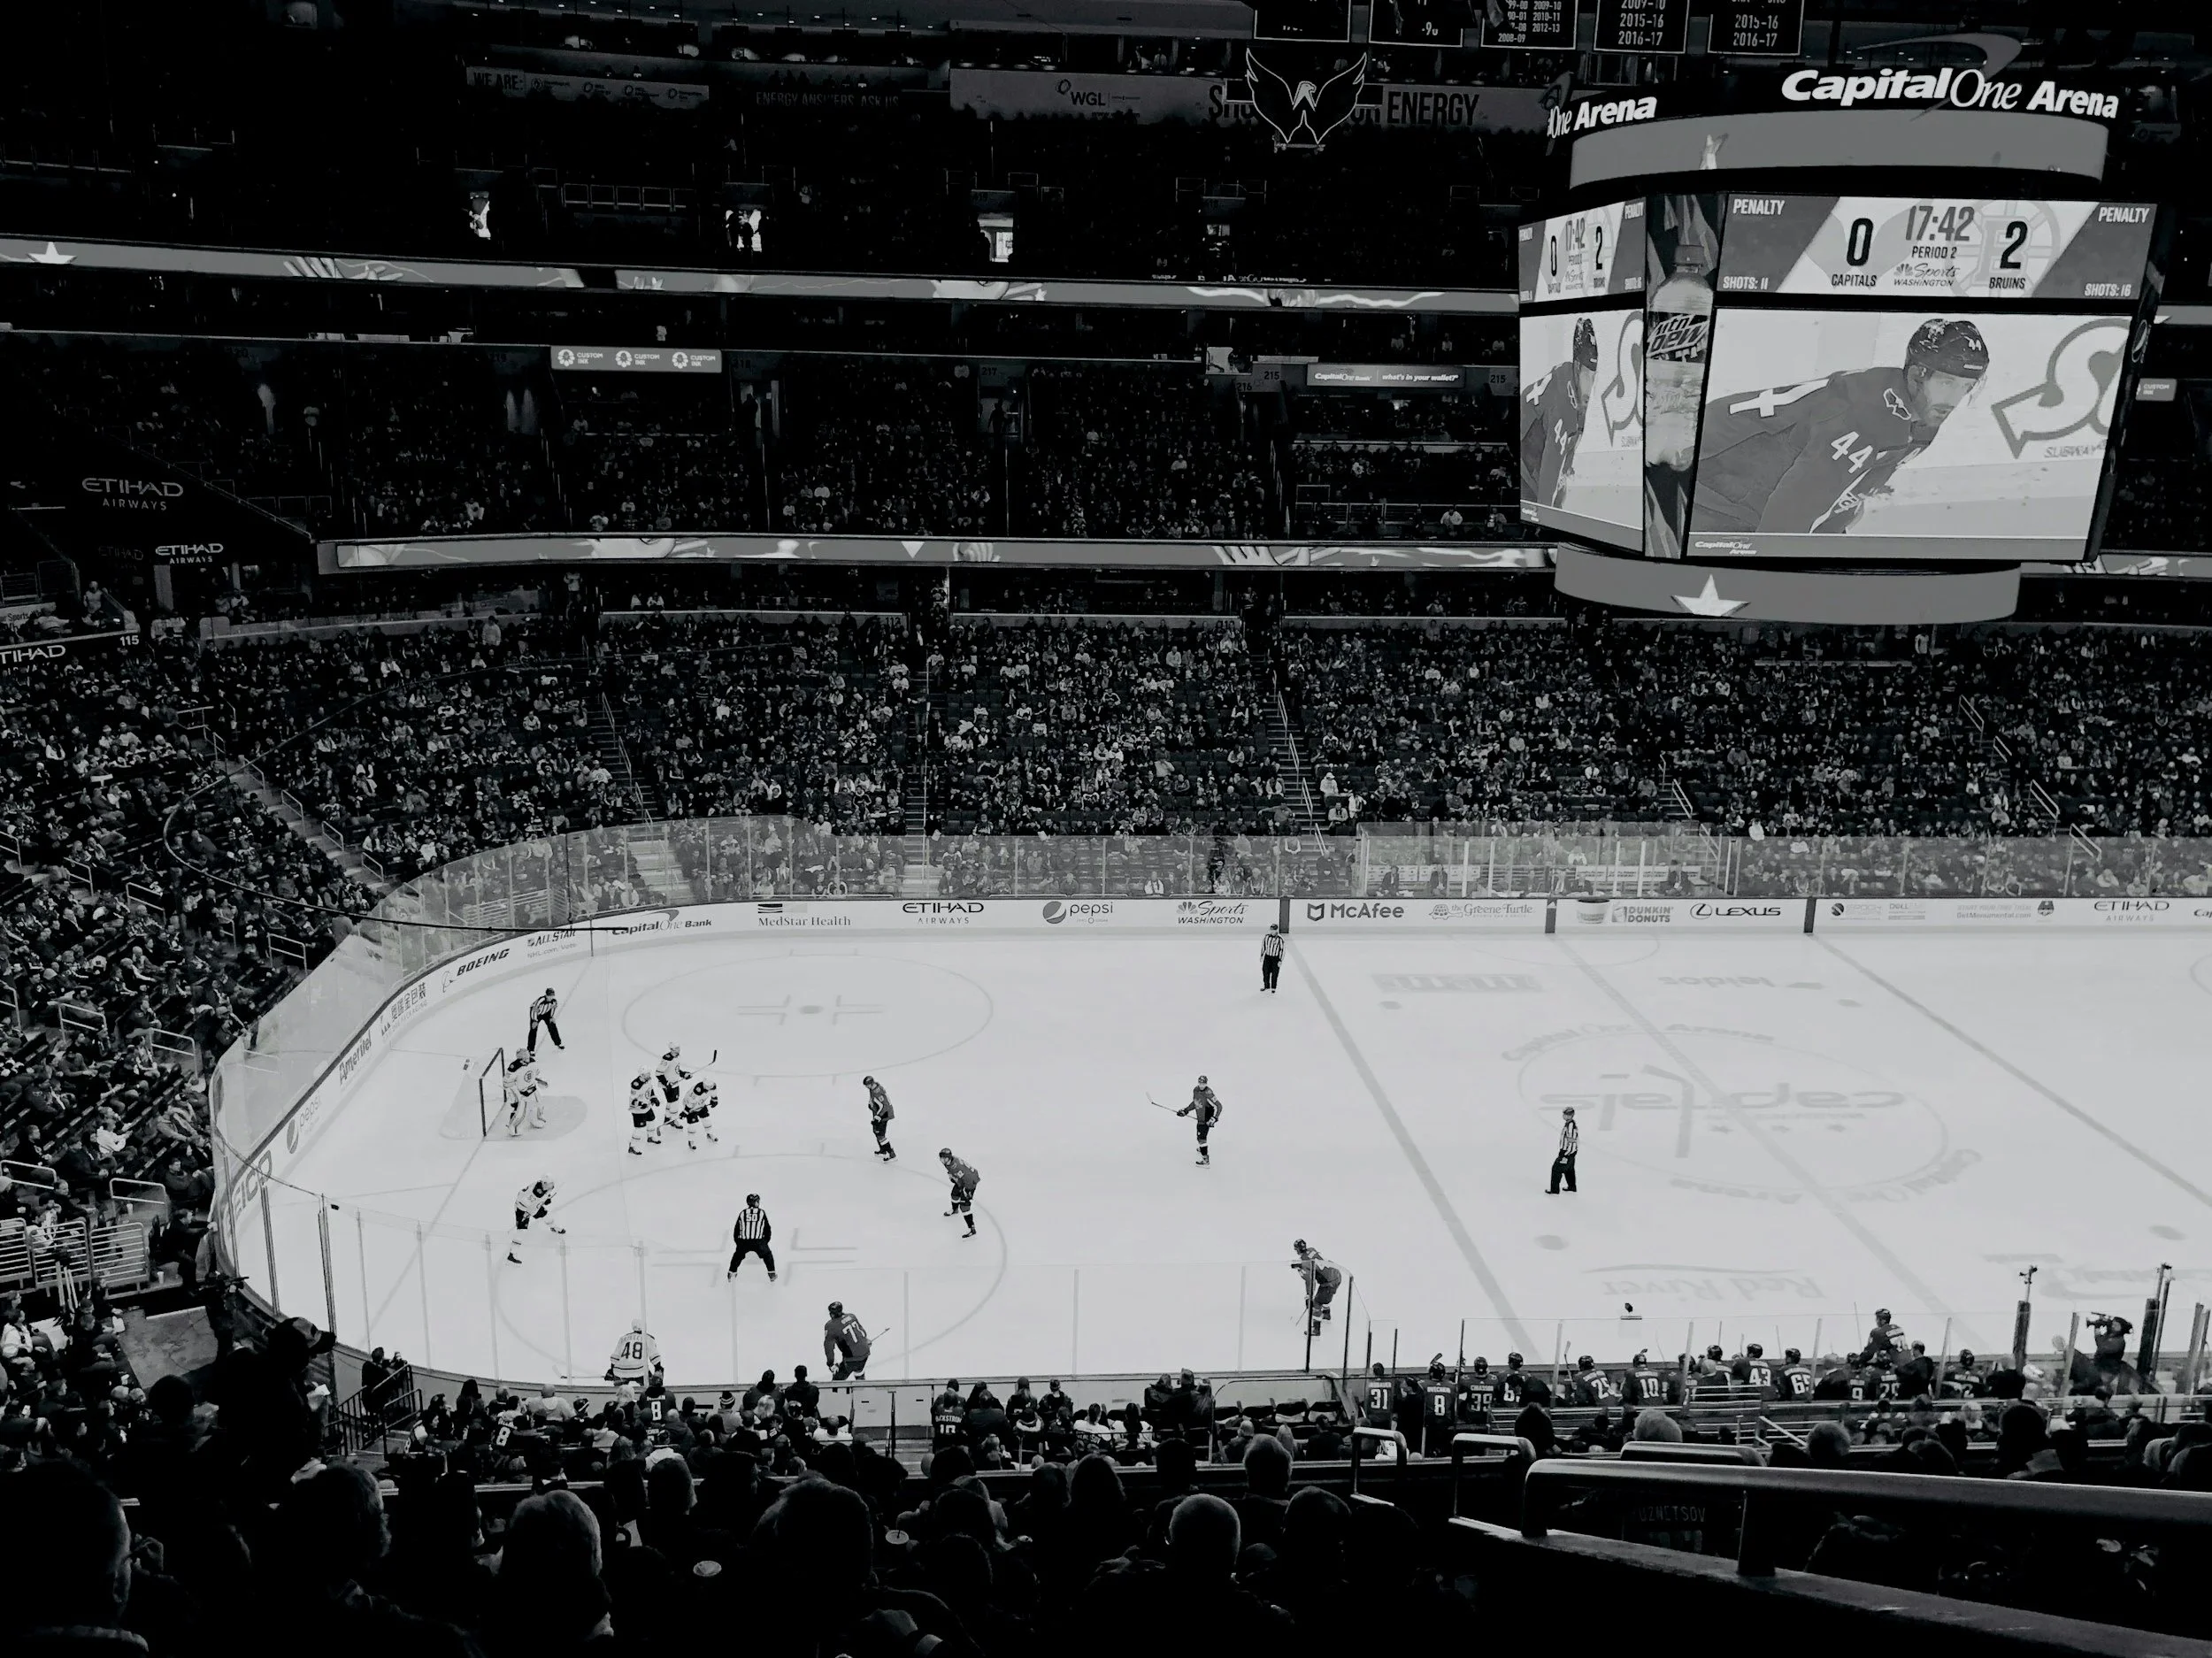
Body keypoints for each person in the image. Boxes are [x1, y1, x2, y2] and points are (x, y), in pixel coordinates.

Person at [1690, 317, 1990, 535]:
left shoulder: (1921, 415)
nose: (1954, 399)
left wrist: (1831, 539)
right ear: (1917, 374)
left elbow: (1850, 490)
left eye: (1965, 386)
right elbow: (1795, 507)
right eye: (1947, 383)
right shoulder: (1865, 417)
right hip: (1706, 476)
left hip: (1742, 488)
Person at [1521, 315, 1598, 509]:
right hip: (1524, 449)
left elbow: (1572, 439)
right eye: (1587, 376)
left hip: (1535, 434)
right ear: (1578, 367)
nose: (1590, 385)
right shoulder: (1564, 402)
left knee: (1556, 495)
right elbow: (1550, 464)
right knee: (1545, 503)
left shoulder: (1572, 377)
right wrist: (1545, 515)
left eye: (1593, 376)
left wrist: (1567, 467)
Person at [508, 1177, 563, 1263]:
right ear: (544, 1183)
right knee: (521, 1231)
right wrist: (523, 1215)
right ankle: (512, 1255)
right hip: (522, 1210)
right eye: (550, 1184)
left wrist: (547, 1199)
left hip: (534, 1207)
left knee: (546, 1215)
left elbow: (542, 1196)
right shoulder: (534, 1193)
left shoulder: (544, 1187)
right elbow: (522, 1202)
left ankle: (553, 1228)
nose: (552, 1185)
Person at [1292, 1240, 1341, 1333]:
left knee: (1317, 1303)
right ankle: (1326, 1314)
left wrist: (1308, 1296)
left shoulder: (1303, 1264)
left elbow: (1310, 1281)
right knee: (1324, 1296)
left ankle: (1316, 1330)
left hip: (1329, 1282)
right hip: (1337, 1274)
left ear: (1297, 1249)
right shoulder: (1311, 1250)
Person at [1176, 1076, 1224, 1168]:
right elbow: (1195, 1102)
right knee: (1199, 1136)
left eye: (1204, 1084)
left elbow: (1219, 1106)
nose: (1202, 1085)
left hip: (1206, 1117)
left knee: (1202, 1138)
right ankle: (1202, 1148)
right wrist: (1186, 1110)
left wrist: (1214, 1118)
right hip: (1200, 1117)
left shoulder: (1209, 1093)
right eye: (1200, 1083)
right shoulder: (1196, 1090)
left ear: (1206, 1083)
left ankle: (1205, 1160)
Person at [728, 1193, 775, 1281]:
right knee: (767, 1255)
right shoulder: (761, 1212)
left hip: (744, 1241)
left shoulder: (742, 1213)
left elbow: (736, 1229)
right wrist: (765, 1241)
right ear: (756, 1202)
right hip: (759, 1241)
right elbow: (767, 1228)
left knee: (737, 1256)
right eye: (758, 1201)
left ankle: (731, 1273)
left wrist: (738, 1242)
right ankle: (772, 1273)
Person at [605, 1319, 662, 1390]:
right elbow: (655, 1358)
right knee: (651, 1388)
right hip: (639, 1370)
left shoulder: (623, 1338)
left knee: (619, 1391)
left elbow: (615, 1358)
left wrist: (611, 1370)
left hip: (620, 1370)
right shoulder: (648, 1338)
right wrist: (658, 1370)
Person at [824, 1301, 871, 1380]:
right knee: (859, 1369)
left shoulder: (830, 1326)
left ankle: (835, 1391)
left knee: (837, 1380)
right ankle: (861, 1382)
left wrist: (831, 1364)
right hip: (865, 1353)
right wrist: (865, 1341)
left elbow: (828, 1347)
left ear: (832, 1314)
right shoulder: (852, 1316)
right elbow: (863, 1333)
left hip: (851, 1359)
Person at [940, 1148, 979, 1236]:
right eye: (941, 1158)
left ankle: (971, 1228)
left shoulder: (956, 1166)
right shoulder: (950, 1161)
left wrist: (967, 1189)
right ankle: (955, 1210)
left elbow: (968, 1177)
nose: (943, 1160)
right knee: (954, 1194)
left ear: (949, 1157)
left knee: (964, 1206)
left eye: (944, 1158)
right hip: (963, 1180)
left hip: (970, 1183)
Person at [680, 1076, 719, 1151]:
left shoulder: (712, 1086)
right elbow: (690, 1102)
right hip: (691, 1107)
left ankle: (709, 1134)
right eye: (709, 1087)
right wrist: (685, 1111)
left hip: (701, 1104)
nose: (711, 1088)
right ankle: (691, 1141)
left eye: (711, 1086)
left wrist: (714, 1100)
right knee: (692, 1125)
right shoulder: (697, 1090)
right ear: (705, 1085)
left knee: (707, 1120)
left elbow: (714, 1093)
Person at [863, 1074, 896, 1160]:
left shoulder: (877, 1092)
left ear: (871, 1083)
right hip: (879, 1114)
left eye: (867, 1085)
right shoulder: (873, 1088)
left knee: (880, 1135)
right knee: (876, 1131)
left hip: (884, 1115)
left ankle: (891, 1154)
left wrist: (878, 1117)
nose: (866, 1087)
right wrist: (872, 1106)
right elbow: (875, 1102)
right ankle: (883, 1150)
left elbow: (885, 1106)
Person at [1547, 1104, 1578, 1194]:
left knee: (1556, 1169)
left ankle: (1554, 1190)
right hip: (1571, 1153)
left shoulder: (1570, 1126)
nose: (1564, 1116)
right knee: (1569, 1170)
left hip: (1567, 1153)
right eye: (1564, 1114)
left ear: (1571, 1115)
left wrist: (1566, 1154)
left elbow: (1572, 1141)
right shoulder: (1569, 1124)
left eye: (1566, 1114)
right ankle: (1572, 1187)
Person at [626, 1070, 659, 1154]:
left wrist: (653, 1098)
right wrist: (641, 1104)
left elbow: (650, 1090)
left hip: (647, 1106)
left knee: (651, 1120)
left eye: (649, 1073)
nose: (649, 1074)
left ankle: (650, 1137)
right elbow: (632, 1100)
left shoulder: (648, 1080)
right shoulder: (636, 1085)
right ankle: (632, 1147)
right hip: (638, 1110)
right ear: (642, 1075)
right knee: (640, 1129)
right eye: (647, 1073)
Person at [526, 986, 564, 1054]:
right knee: (533, 1030)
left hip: (546, 1014)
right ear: (546, 995)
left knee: (552, 1026)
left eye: (552, 995)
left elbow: (553, 1009)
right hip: (536, 1013)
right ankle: (531, 1049)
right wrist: (534, 1020)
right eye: (550, 995)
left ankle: (558, 1043)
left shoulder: (554, 1001)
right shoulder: (541, 1000)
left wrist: (551, 1017)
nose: (551, 997)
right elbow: (533, 1010)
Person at [1260, 922, 1284, 993]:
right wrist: (1262, 956)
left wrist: (1280, 960)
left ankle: (1273, 987)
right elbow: (1263, 946)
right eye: (1271, 929)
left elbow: (1282, 950)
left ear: (1276, 930)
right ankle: (1266, 985)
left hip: (1275, 958)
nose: (1272, 931)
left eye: (1273, 930)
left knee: (1274, 973)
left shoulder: (1280, 939)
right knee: (1265, 971)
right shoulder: (1266, 937)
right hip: (1267, 957)